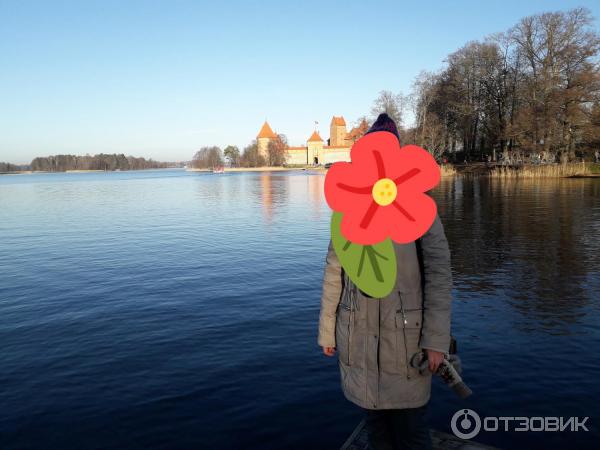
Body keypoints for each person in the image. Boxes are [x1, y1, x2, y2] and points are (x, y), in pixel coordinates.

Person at [318, 114, 453, 450]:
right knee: (375, 425)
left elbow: (439, 274)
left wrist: (436, 340)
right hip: (358, 334)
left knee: (411, 430)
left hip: (405, 338)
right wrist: (327, 330)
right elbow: (334, 271)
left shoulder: (420, 209)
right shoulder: (347, 210)